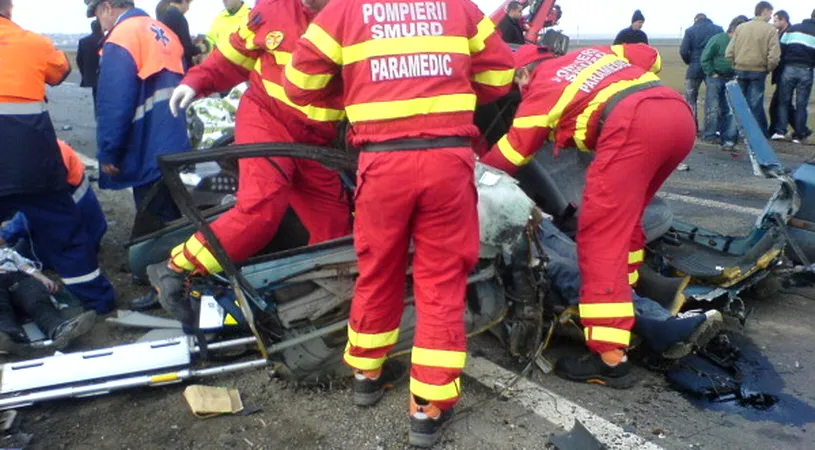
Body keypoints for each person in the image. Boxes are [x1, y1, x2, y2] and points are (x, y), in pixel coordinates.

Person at [284, 0, 515, 445]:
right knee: (442, 278)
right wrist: (446, 90)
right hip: (447, 161)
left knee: (378, 268)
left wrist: (357, 91)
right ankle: (428, 408)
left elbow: (300, 83)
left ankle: (366, 375)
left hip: (382, 164)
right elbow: (500, 75)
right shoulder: (458, 8)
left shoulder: (344, 10)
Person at [479, 43, 694, 389]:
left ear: (522, 74)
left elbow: (512, 152)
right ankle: (629, 294)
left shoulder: (542, 86)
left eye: (517, 86)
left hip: (631, 126)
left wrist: (473, 177)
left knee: (599, 239)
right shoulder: (591, 53)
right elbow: (649, 56)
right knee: (627, 220)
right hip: (676, 116)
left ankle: (610, 357)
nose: (519, 93)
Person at [144, 0, 350, 321]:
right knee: (262, 209)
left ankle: (319, 299)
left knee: (334, 224)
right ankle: (175, 268)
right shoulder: (272, 9)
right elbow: (232, 57)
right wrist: (195, 82)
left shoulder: (363, 18)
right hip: (266, 118)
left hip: (315, 141)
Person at [0, 0, 115, 314]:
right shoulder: (34, 43)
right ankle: (99, 304)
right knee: (64, 235)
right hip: (33, 160)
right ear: (8, 9)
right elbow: (60, 71)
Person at [539, 219, 723, 360]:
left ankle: (662, 322)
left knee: (590, 260)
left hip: (524, 213)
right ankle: (654, 327)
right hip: (512, 231)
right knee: (566, 270)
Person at [86, 0, 189, 232]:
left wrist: (109, 151)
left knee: (154, 217)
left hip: (147, 144)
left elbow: (114, 103)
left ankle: (160, 261)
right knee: (170, 205)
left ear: (106, 8)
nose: (100, 23)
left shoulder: (121, 37)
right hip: (174, 137)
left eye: (97, 15)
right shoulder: (163, 31)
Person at [1, 140, 108, 264]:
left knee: (17, 257)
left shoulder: (33, 164)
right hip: (92, 226)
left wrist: (5, 235)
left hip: (72, 239)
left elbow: (35, 209)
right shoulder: (44, 142)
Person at [0, 242, 97, 355]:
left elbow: (27, 268)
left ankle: (60, 330)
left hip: (18, 278)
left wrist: (43, 278)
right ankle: (8, 339)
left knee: (36, 300)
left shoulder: (8, 253)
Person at [726, 1, 781, 137]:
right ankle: (757, 139)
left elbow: (729, 52)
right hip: (758, 71)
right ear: (765, 11)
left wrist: (735, 64)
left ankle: (730, 139)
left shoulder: (741, 28)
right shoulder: (770, 30)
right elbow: (774, 55)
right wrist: (768, 68)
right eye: (770, 12)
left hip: (740, 69)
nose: (771, 16)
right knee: (755, 106)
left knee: (738, 105)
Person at [701, 16, 749, 151]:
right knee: (713, 106)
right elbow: (705, 57)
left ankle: (726, 136)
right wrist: (711, 72)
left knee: (728, 108)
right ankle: (709, 135)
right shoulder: (718, 39)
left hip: (731, 78)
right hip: (715, 78)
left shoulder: (740, 42)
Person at [776, 9, 815, 144]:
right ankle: (799, 135)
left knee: (783, 101)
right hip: (806, 70)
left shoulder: (793, 29)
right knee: (801, 104)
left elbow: (781, 47)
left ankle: (780, 130)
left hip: (789, 68)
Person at [680, 14, 723, 133]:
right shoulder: (718, 29)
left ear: (695, 20)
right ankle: (715, 129)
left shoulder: (690, 31)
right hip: (713, 68)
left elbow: (683, 50)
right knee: (714, 99)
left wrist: (690, 61)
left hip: (694, 68)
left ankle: (692, 127)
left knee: (690, 99)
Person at [158, 0, 204, 71]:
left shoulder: (163, 16)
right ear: (184, 1)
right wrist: (200, 49)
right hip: (179, 66)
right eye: (188, 4)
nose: (188, 8)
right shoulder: (179, 18)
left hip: (164, 62)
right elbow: (186, 48)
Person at [769, 10, 792, 139]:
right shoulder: (780, 33)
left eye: (776, 20)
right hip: (781, 72)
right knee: (785, 103)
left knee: (778, 103)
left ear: (784, 20)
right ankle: (800, 129)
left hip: (784, 72)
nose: (774, 23)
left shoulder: (788, 33)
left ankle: (776, 129)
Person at [76, 20, 104, 116]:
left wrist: (84, 74)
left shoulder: (83, 41)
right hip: (106, 76)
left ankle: (98, 118)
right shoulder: (107, 40)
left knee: (96, 98)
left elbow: (79, 60)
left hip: (91, 77)